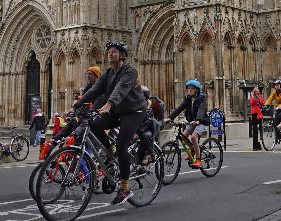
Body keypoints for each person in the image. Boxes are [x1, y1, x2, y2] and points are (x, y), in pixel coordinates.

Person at [75, 41, 148, 205]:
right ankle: (109, 152)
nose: (110, 54)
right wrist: (77, 104)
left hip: (133, 111)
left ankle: (125, 188)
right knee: (94, 125)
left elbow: (120, 89)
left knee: (122, 144)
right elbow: (95, 90)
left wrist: (108, 104)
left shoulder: (130, 71)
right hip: (117, 110)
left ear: (122, 55)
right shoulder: (107, 73)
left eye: (114, 52)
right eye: (109, 52)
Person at [165, 80, 208, 168]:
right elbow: (180, 108)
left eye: (192, 88)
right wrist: (170, 117)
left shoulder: (202, 98)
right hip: (192, 122)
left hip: (201, 122)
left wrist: (198, 120)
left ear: (196, 89)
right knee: (182, 136)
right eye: (188, 89)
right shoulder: (188, 98)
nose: (190, 90)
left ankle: (198, 160)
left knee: (193, 137)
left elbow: (201, 110)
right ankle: (192, 149)